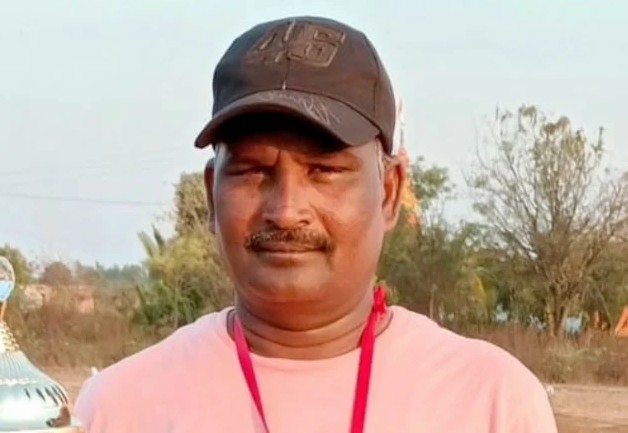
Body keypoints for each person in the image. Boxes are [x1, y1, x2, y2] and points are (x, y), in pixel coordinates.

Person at [74, 16, 558, 432]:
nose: (286, 211)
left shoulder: (490, 402)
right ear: (210, 196)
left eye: (324, 170)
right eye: (252, 171)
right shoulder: (120, 407)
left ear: (389, 192)